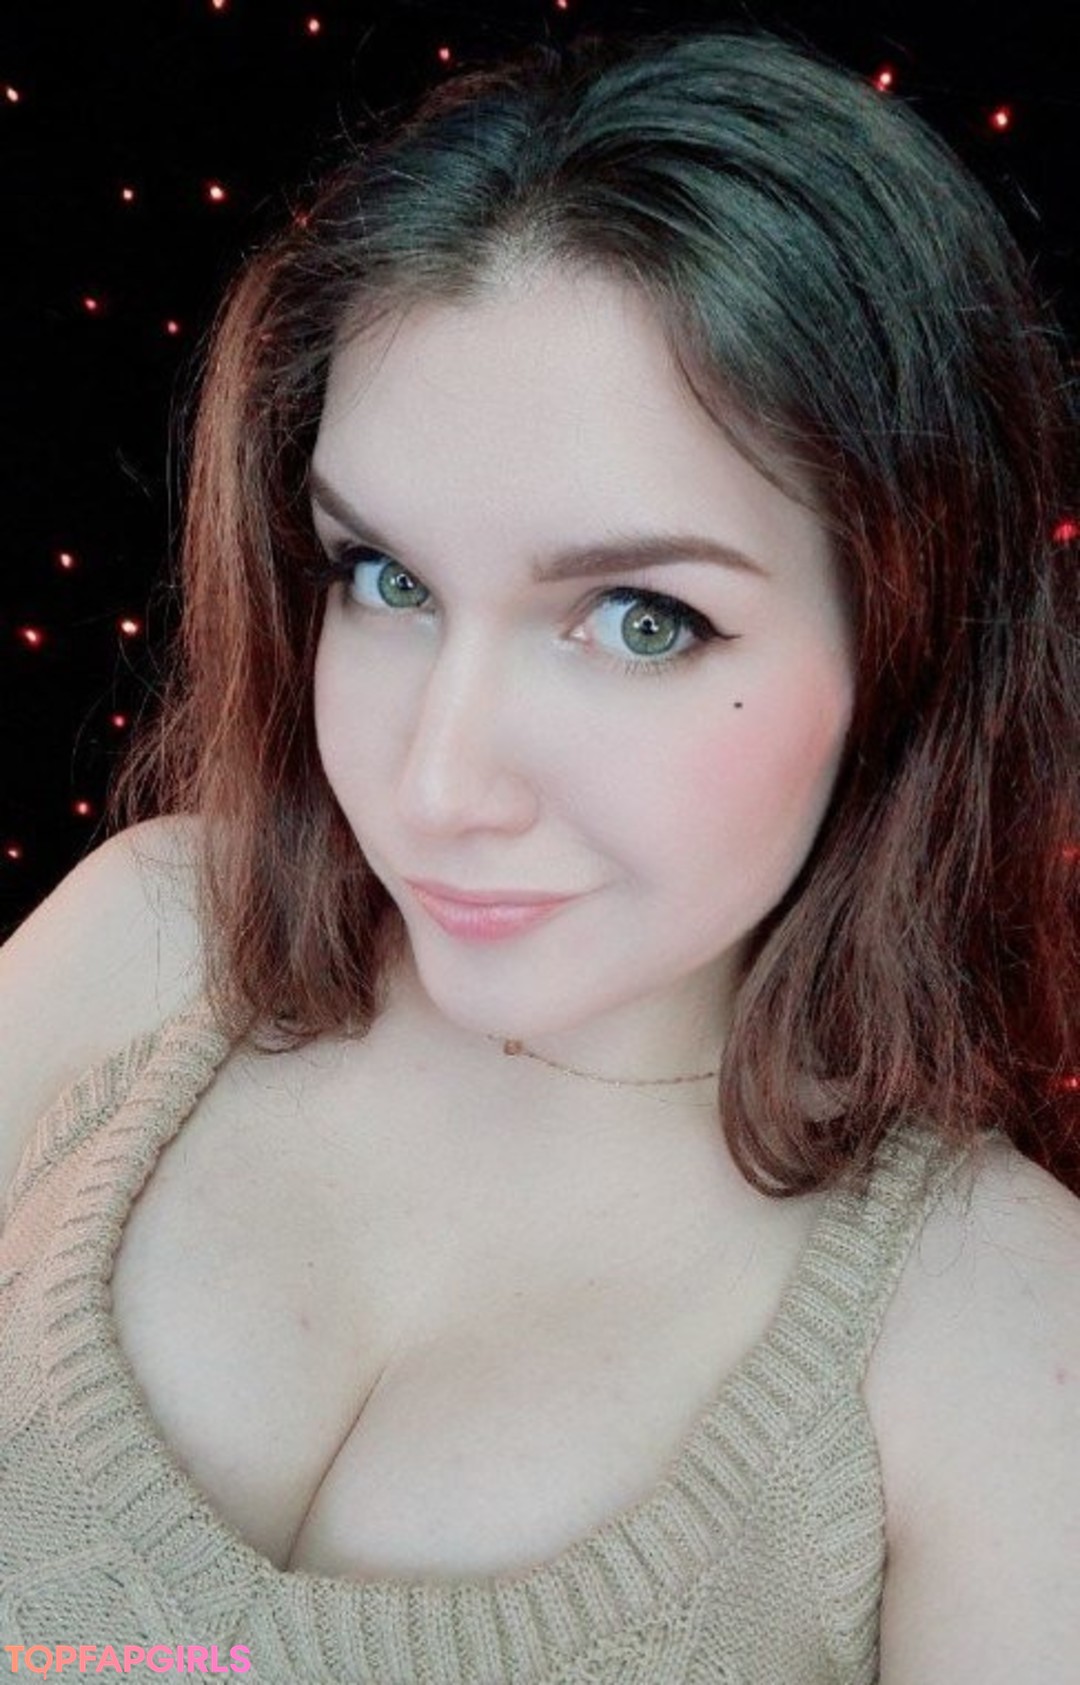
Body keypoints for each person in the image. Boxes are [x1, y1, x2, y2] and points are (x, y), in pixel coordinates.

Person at [1, 20, 1078, 1683]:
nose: (436, 784)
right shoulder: (144, 941)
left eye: (641, 619)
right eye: (386, 580)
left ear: (908, 645)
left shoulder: (1004, 1342)